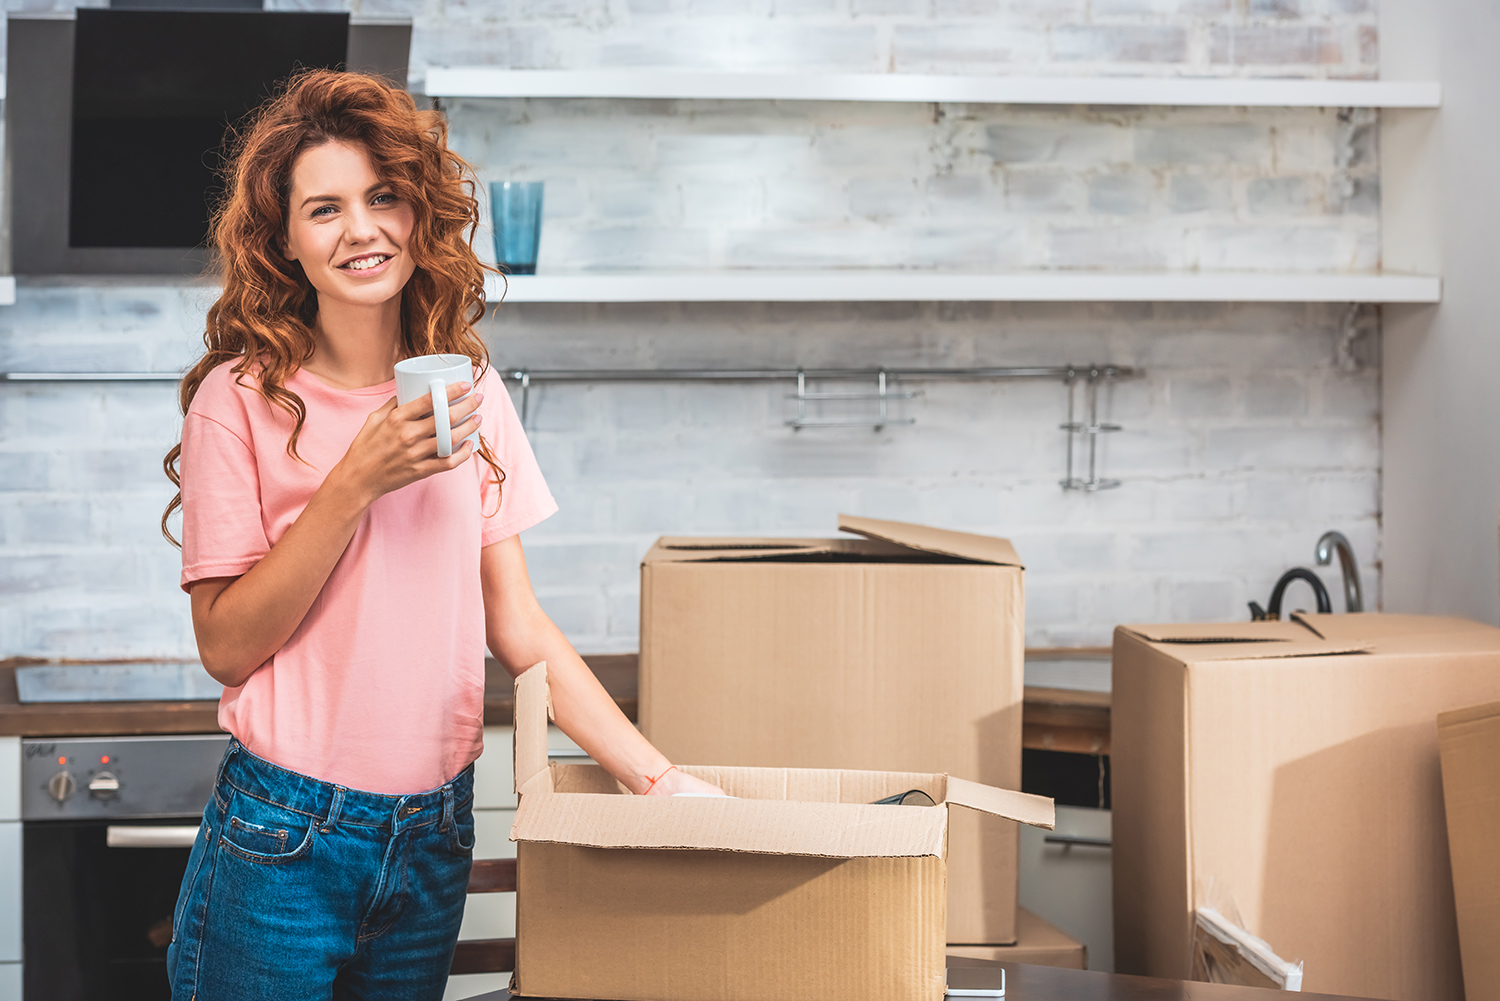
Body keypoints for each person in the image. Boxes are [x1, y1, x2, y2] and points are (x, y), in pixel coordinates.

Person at [161, 69, 722, 1001]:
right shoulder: (241, 399)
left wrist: (659, 781)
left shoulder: (467, 393)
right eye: (325, 209)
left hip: (435, 832)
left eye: (383, 197)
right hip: (283, 836)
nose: (362, 229)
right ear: (286, 242)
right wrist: (355, 480)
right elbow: (225, 645)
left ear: (419, 215)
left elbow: (521, 626)